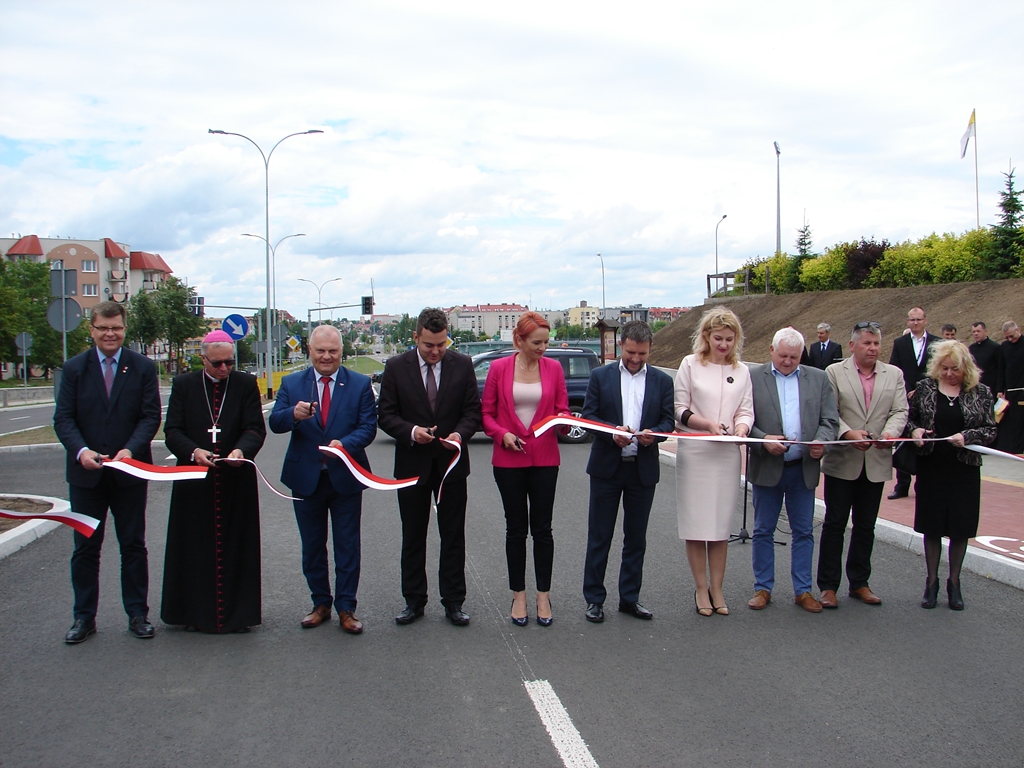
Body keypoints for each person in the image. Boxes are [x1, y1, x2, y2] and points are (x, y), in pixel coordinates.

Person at [53, 301, 161, 644]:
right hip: (87, 476)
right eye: (103, 328)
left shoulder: (142, 367)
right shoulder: (73, 369)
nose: (110, 334)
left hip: (129, 472)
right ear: (92, 330)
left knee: (133, 545)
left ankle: (137, 614)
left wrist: (130, 449)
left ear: (124, 329)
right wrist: (81, 451)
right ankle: (84, 618)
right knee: (85, 548)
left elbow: (149, 416)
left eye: (116, 327)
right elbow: (64, 419)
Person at [270, 325, 377, 634]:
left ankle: (346, 607)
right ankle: (320, 603)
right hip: (305, 479)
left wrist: (346, 445)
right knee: (313, 546)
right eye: (321, 351)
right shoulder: (291, 383)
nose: (327, 357)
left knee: (347, 546)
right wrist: (294, 413)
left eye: (333, 351)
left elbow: (368, 427)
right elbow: (275, 423)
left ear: (341, 352)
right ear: (310, 351)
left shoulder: (358, 384)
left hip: (345, 477)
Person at [378, 308, 482, 626]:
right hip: (412, 465)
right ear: (416, 338)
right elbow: (386, 415)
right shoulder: (396, 368)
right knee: (413, 536)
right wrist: (411, 432)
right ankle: (414, 601)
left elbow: (472, 412)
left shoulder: (462, 365)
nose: (436, 352)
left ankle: (453, 602)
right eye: (428, 346)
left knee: (453, 536)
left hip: (451, 466)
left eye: (441, 344)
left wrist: (459, 435)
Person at [161, 330, 266, 634]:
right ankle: (193, 613)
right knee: (194, 547)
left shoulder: (245, 384)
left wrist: (240, 450)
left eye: (229, 363)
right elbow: (173, 431)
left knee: (237, 546)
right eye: (217, 363)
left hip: (236, 480)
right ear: (203, 359)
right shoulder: (184, 385)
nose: (224, 369)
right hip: (194, 480)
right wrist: (192, 451)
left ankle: (238, 615)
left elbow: (255, 428)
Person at [580, 320, 674, 623]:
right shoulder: (600, 376)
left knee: (636, 538)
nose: (636, 359)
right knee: (600, 536)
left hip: (642, 469)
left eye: (642, 354)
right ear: (622, 346)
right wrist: (612, 434)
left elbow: (668, 422)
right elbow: (589, 417)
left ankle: (629, 598)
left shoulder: (661, 381)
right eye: (631, 352)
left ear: (650, 350)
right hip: (607, 468)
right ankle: (594, 599)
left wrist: (654, 435)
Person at [481, 312, 569, 627]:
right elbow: (487, 413)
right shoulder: (499, 368)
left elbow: (562, 409)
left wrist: (564, 423)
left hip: (545, 459)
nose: (543, 348)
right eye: (537, 342)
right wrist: (501, 434)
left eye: (546, 342)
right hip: (508, 461)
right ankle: (518, 594)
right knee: (516, 529)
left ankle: (543, 595)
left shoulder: (554, 368)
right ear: (519, 340)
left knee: (543, 530)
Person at [747, 328, 838, 613]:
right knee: (763, 530)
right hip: (767, 465)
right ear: (771, 351)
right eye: (783, 355)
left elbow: (830, 420)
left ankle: (803, 590)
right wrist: (763, 440)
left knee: (803, 531)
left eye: (794, 357)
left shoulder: (819, 379)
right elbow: (743, 419)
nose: (788, 361)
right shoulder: (752, 378)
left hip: (803, 468)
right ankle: (763, 587)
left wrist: (821, 443)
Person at [817, 322, 908, 608]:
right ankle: (828, 586)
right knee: (834, 523)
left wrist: (891, 434)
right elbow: (829, 411)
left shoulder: (894, 374)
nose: (873, 348)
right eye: (867, 343)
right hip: (843, 460)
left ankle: (859, 582)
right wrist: (847, 433)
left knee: (866, 525)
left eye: (877, 344)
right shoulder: (834, 372)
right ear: (853, 345)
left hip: (876, 460)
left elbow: (900, 410)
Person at [905, 340, 996, 610]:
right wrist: (915, 432)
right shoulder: (925, 388)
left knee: (960, 527)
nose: (948, 374)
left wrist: (967, 436)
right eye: (943, 368)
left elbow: (990, 430)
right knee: (931, 525)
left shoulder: (981, 393)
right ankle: (931, 582)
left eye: (954, 369)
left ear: (965, 368)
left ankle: (954, 583)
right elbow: (909, 419)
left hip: (963, 468)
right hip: (932, 465)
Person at [674, 307, 753, 616]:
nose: (723, 345)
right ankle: (700, 587)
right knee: (697, 525)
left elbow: (745, 409)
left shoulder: (742, 370)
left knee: (720, 526)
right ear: (706, 336)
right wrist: (706, 424)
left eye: (729, 339)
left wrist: (743, 428)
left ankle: (718, 588)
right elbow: (679, 409)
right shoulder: (690, 365)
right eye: (718, 338)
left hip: (726, 455)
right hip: (696, 452)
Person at [887, 306, 937, 499]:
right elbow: (895, 368)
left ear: (925, 320)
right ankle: (902, 485)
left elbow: (936, 369)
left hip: (929, 398)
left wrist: (923, 389)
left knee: (926, 438)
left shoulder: (935, 342)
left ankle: (923, 484)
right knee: (905, 438)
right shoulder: (900, 343)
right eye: (912, 320)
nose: (915, 323)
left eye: (919, 319)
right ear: (907, 322)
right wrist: (906, 390)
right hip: (905, 396)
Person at [995, 321, 1024, 454]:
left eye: (1012, 336)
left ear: (1018, 330)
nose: (1010, 339)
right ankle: (1017, 449)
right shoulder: (1004, 347)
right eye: (1007, 337)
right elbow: (1001, 369)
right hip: (1012, 390)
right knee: (1015, 421)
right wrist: (1000, 389)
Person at [968, 321, 1001, 393]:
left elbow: (1000, 369)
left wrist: (1000, 389)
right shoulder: (971, 349)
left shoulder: (995, 347)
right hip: (976, 387)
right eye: (974, 332)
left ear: (985, 331)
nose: (976, 334)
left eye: (978, 331)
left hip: (992, 388)